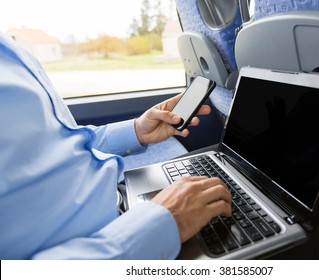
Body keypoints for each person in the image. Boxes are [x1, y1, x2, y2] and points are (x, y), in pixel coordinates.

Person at [0, 32, 232, 259]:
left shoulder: (10, 48)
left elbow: (57, 142)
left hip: (125, 204)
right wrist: (162, 222)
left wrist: (137, 130)